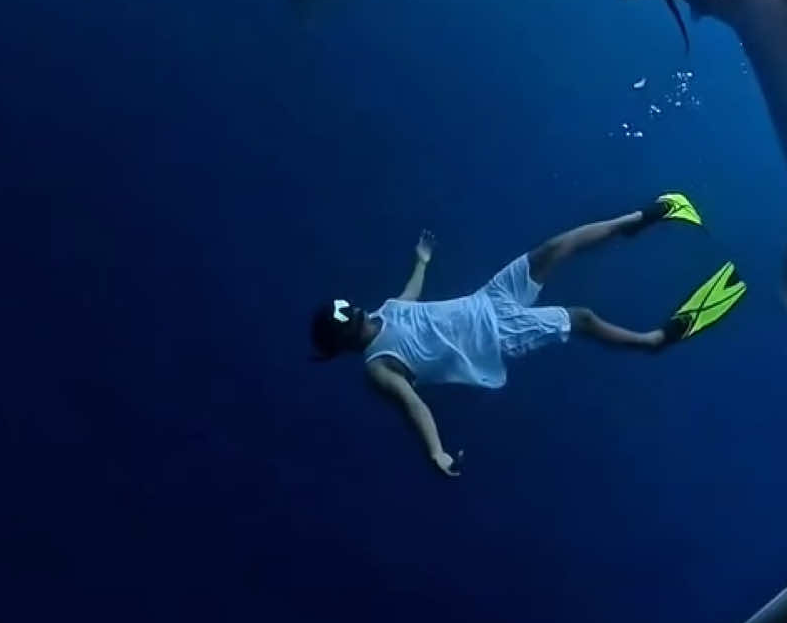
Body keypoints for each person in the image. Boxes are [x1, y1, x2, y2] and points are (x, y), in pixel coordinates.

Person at [309, 195, 745, 477]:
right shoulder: (378, 368)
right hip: (495, 337)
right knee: (581, 318)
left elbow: (409, 296)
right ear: (344, 340)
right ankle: (655, 341)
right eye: (352, 320)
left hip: (489, 297)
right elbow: (413, 405)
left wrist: (421, 262)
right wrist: (435, 452)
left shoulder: (383, 310)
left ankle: (640, 218)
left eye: (353, 309)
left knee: (555, 247)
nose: (360, 314)